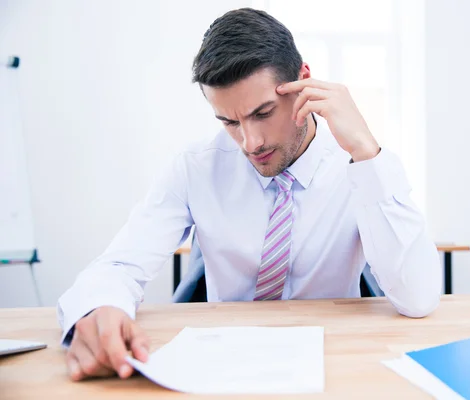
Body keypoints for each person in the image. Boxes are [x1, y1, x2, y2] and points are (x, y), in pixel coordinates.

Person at [58, 7, 442, 381]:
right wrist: (100, 306)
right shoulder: (196, 167)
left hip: (336, 361)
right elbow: (120, 265)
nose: (250, 142)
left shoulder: (358, 165)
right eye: (229, 121)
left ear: (303, 81)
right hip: (222, 361)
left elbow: (419, 298)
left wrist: (367, 153)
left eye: (263, 113)